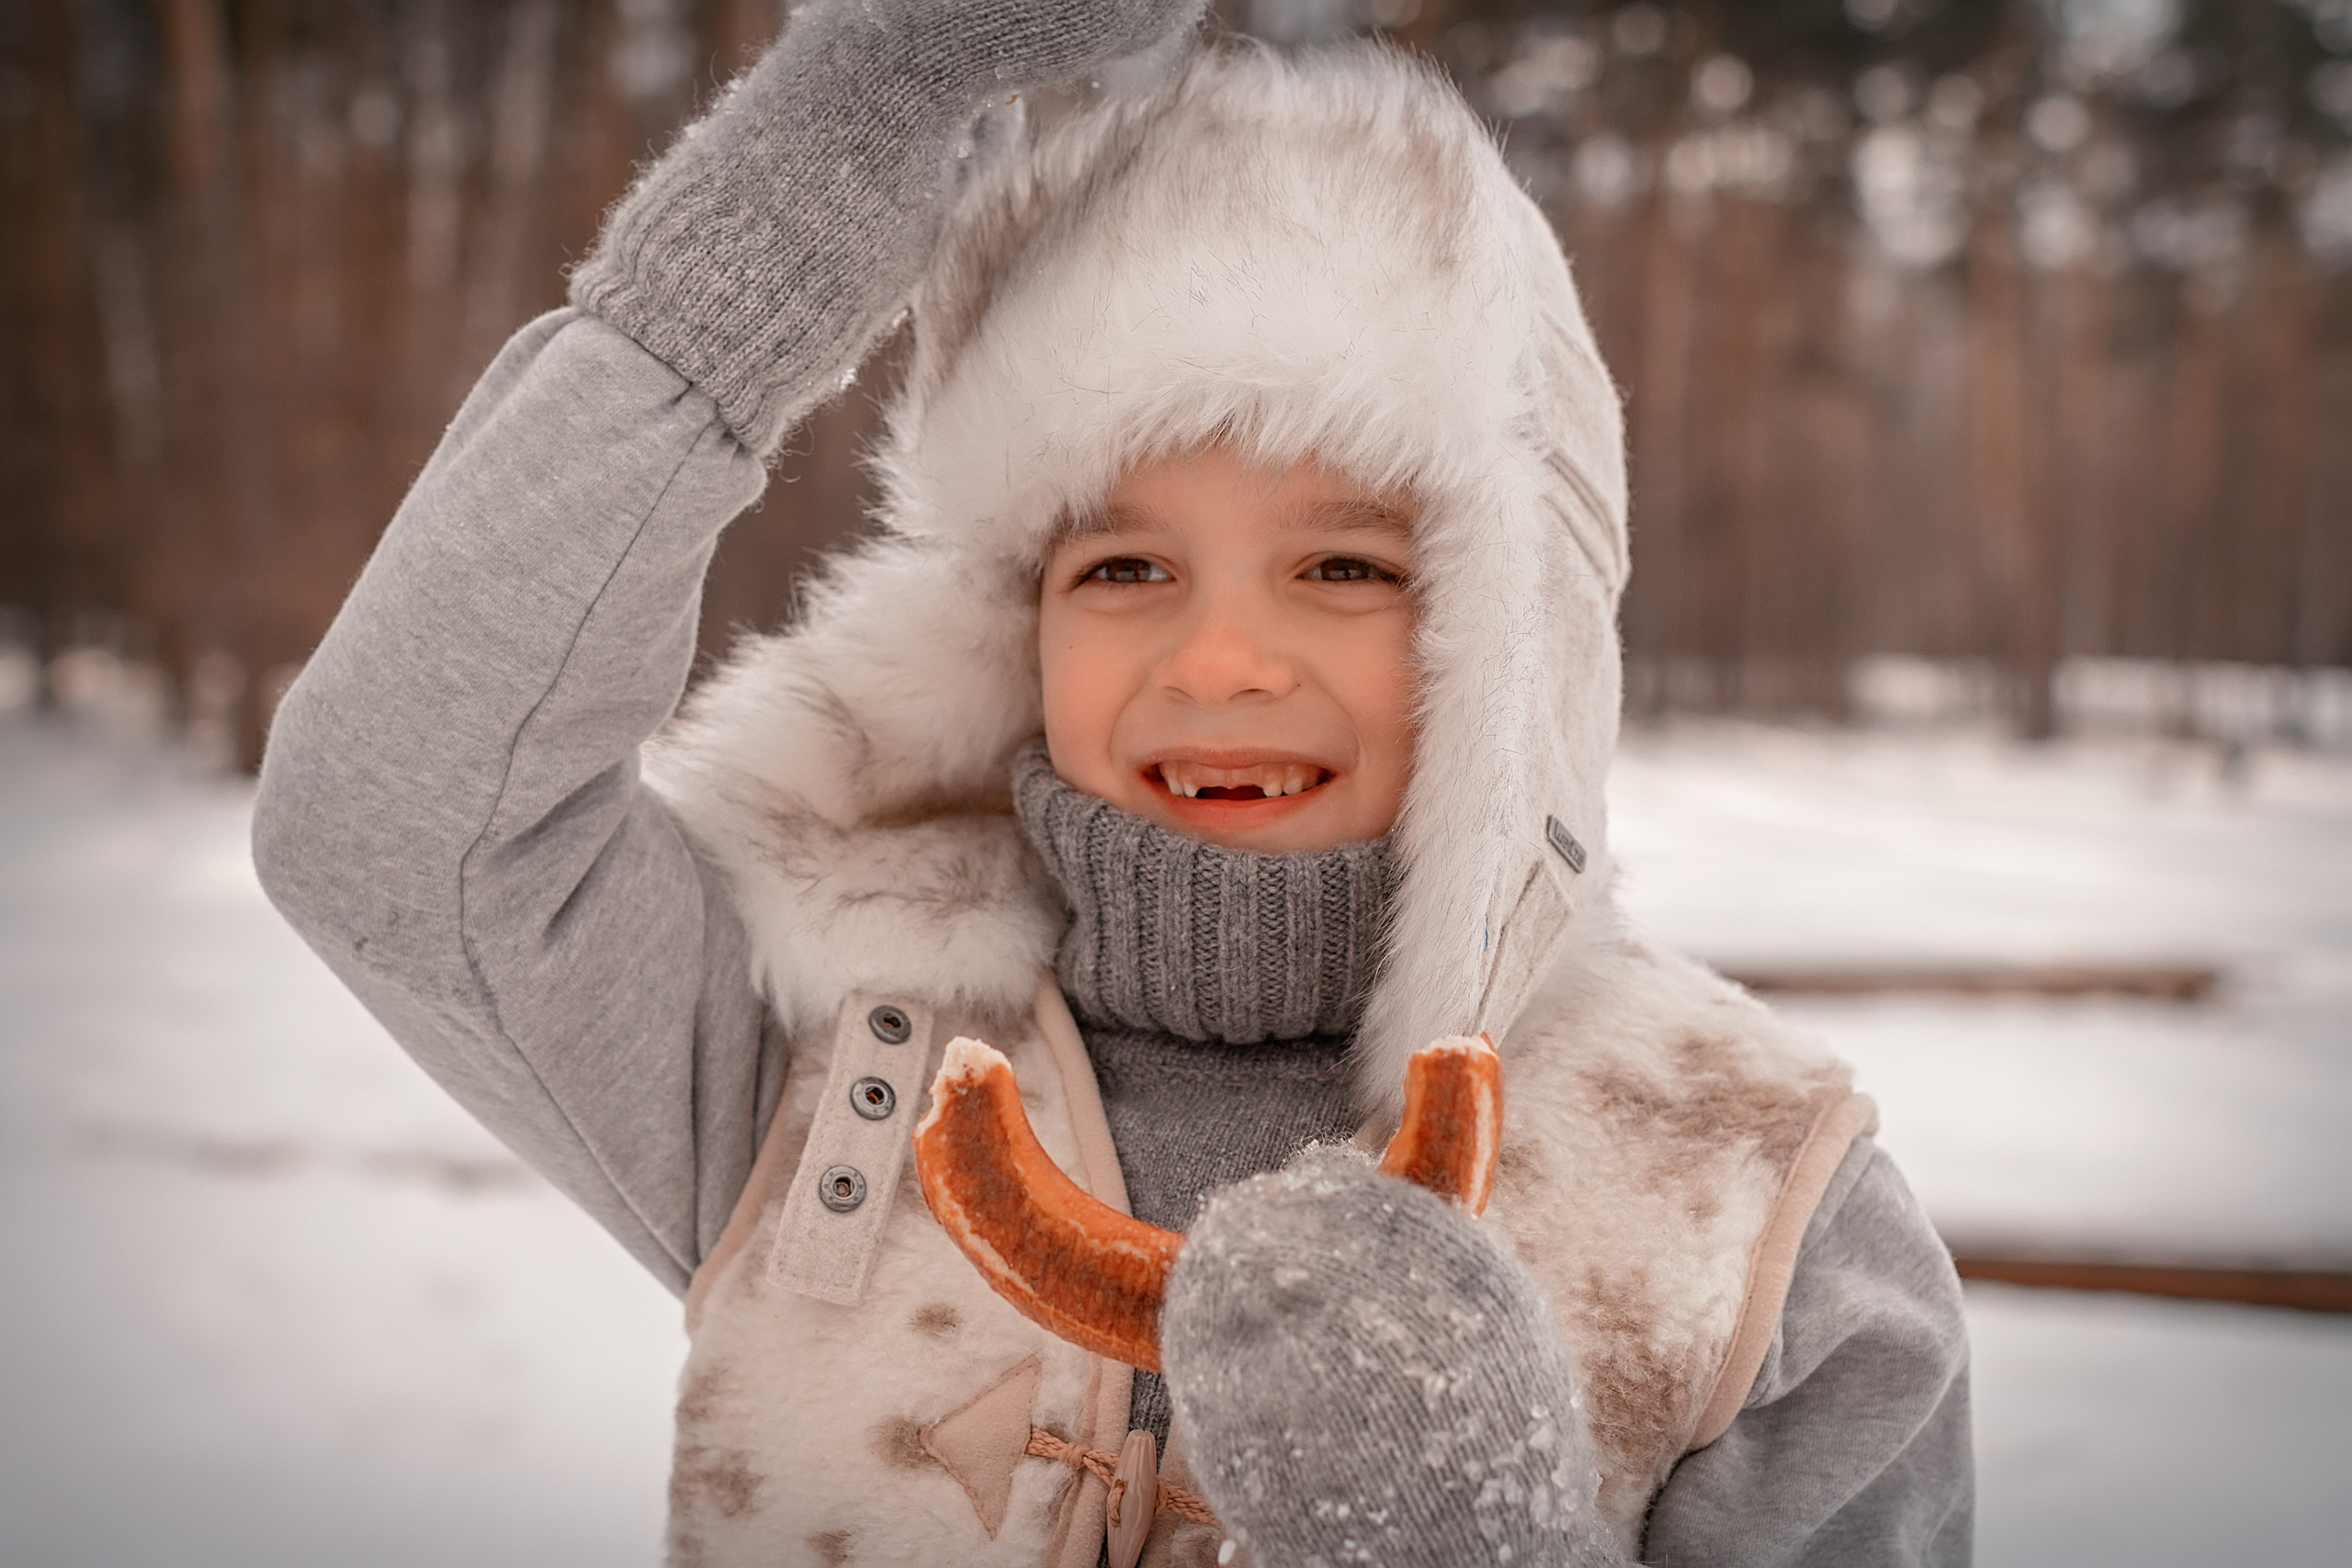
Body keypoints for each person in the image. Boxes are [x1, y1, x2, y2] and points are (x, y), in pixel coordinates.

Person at [252, 3, 1973, 1564]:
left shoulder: (1759, 1209)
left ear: (1520, 625)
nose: (1216, 662)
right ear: (1012, 623)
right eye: (1125, 569)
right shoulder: (822, 1055)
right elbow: (395, 826)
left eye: (1348, 569)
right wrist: (817, 170)